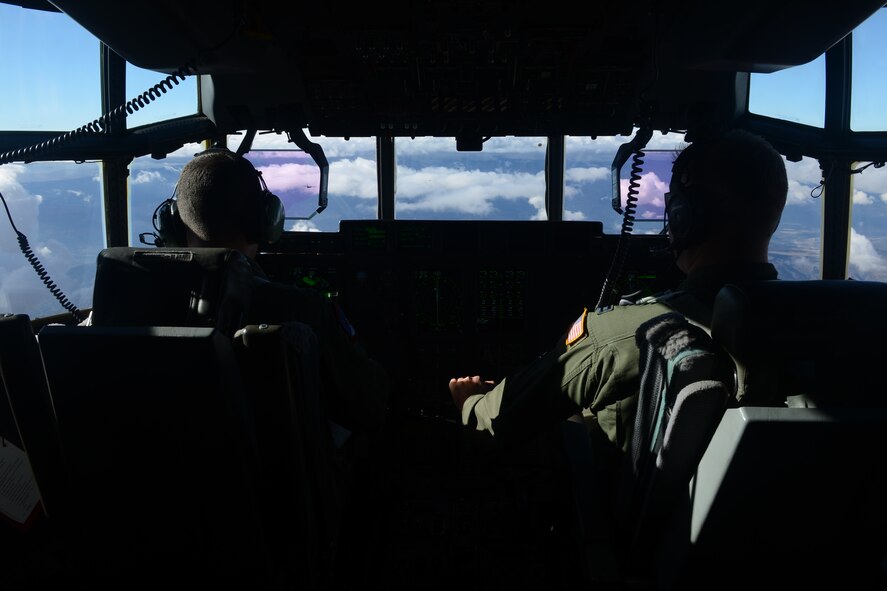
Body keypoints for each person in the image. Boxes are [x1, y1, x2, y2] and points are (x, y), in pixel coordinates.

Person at [448, 128, 788, 466]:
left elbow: (494, 425)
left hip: (633, 515)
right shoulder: (824, 325)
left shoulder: (630, 335)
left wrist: (471, 402)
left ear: (684, 214)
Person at [171, 147, 390, 436]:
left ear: (172, 224)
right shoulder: (300, 310)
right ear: (264, 221)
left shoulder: (125, 300)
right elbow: (371, 408)